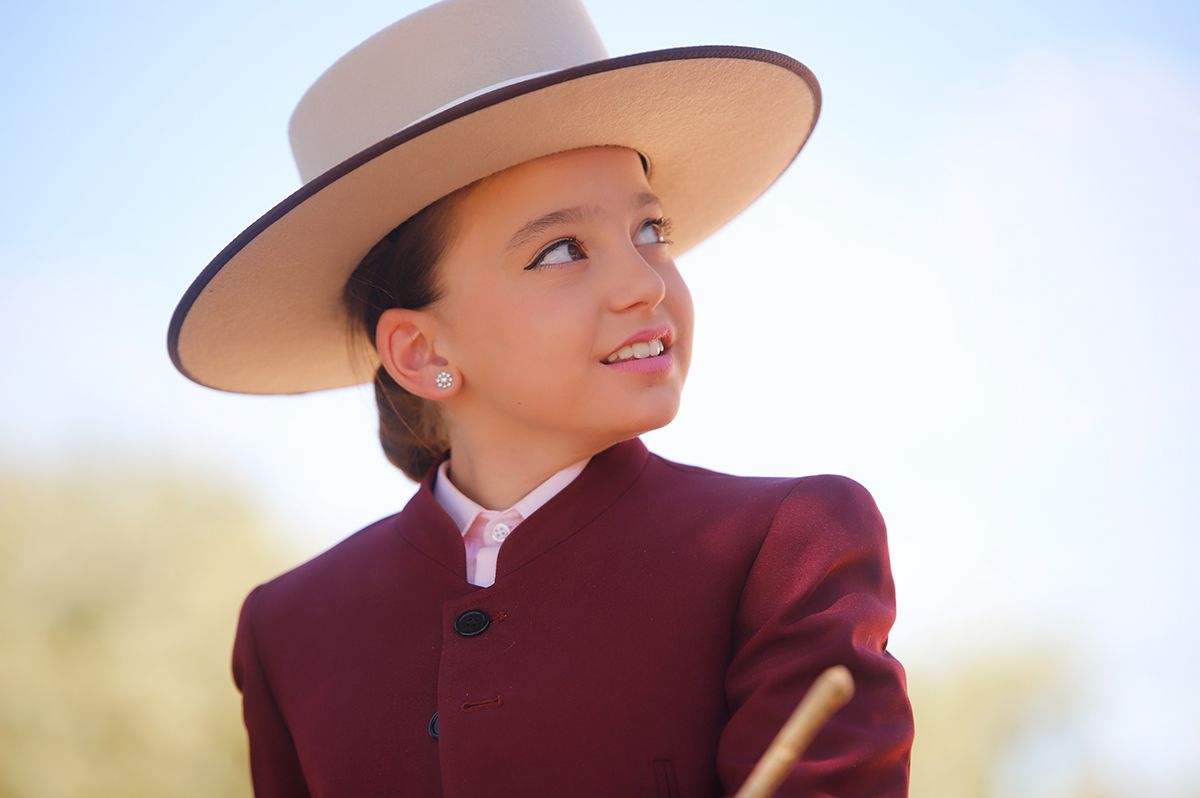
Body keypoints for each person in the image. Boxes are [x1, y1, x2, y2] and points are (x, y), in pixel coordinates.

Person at [166, 0, 915, 795]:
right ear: (421, 352)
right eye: (562, 250)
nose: (644, 281)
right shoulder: (289, 632)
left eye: (651, 230)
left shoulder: (787, 548)